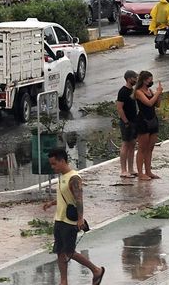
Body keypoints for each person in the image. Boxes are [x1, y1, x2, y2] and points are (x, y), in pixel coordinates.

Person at [42, 148, 106, 285]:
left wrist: (80, 218)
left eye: (54, 164)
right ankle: (63, 281)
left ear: (62, 161)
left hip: (69, 222)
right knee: (59, 251)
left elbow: (79, 199)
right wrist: (52, 203)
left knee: (69, 252)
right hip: (59, 219)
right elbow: (65, 197)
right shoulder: (61, 177)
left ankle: (96, 270)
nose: (53, 167)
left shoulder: (74, 178)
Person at [134, 71, 163, 181]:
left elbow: (157, 104)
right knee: (142, 148)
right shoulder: (138, 92)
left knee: (150, 148)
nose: (151, 81)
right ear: (144, 80)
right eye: (149, 80)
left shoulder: (150, 91)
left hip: (153, 119)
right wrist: (157, 93)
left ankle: (148, 171)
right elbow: (149, 103)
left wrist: (159, 94)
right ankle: (140, 173)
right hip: (143, 121)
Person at [116, 70, 138, 178]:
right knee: (125, 144)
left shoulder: (132, 91)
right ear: (129, 79)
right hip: (126, 122)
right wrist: (126, 121)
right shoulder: (123, 92)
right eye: (135, 78)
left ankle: (131, 169)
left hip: (134, 121)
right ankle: (123, 170)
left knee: (132, 144)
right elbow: (119, 108)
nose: (136, 80)